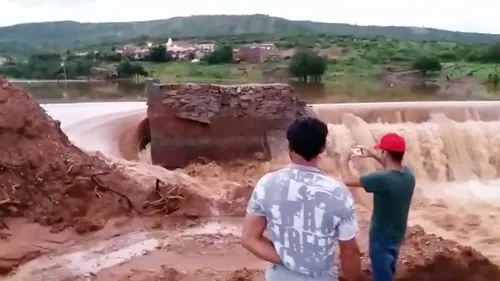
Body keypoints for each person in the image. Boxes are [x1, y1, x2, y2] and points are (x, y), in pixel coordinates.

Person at [241, 117, 362, 281]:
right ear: (322, 147)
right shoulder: (338, 192)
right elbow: (350, 253)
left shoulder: (266, 184)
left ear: (290, 146)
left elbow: (249, 239)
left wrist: (288, 261)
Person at [341, 133, 415, 281]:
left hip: (381, 238)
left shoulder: (382, 179)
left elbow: (348, 180)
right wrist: (373, 155)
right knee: (389, 270)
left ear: (386, 152)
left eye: (382, 151)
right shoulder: (408, 175)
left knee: (381, 276)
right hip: (397, 234)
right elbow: (391, 167)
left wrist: (344, 160)